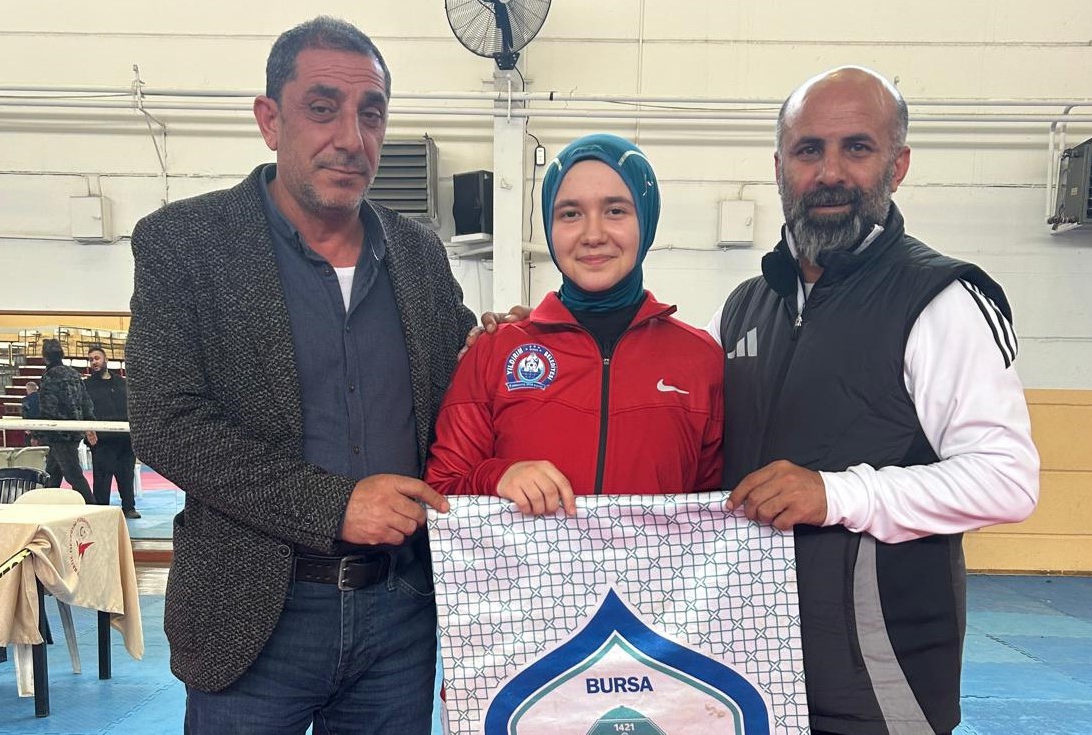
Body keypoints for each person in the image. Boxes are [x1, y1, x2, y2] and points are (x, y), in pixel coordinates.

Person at [125, 16, 473, 734]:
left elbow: (464, 386)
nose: (351, 137)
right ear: (269, 120)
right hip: (253, 616)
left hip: (400, 613)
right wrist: (332, 505)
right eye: (322, 108)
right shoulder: (186, 244)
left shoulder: (418, 253)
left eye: (371, 113)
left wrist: (521, 342)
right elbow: (167, 422)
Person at [712, 67, 1040, 735]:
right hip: (745, 671)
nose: (830, 172)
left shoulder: (940, 300)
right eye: (809, 149)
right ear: (779, 167)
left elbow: (1007, 480)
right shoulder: (746, 305)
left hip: (879, 683)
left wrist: (838, 493)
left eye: (857, 148)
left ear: (898, 164)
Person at [426, 134, 723, 513]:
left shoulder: (701, 360)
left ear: (646, 219)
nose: (593, 235)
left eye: (615, 211)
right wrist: (497, 476)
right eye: (570, 214)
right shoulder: (494, 351)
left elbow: (718, 515)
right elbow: (440, 493)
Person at [83, 346, 140, 518]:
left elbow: (133, 406)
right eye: (91, 359)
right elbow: (83, 409)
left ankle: (129, 507)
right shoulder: (86, 385)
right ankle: (101, 510)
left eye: (97, 358)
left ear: (106, 359)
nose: (94, 362)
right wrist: (88, 430)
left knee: (126, 475)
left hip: (125, 438)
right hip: (102, 440)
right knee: (102, 478)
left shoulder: (122, 383)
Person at [37, 338, 95, 504]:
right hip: (75, 430)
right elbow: (86, 402)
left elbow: (47, 408)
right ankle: (46, 505)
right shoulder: (74, 374)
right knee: (52, 473)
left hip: (59, 433)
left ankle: (91, 505)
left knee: (73, 475)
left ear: (45, 357)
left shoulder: (49, 377)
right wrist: (90, 423)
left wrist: (38, 433)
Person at [20, 380, 40, 445]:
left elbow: (24, 413)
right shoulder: (43, 399)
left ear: (28, 389)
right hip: (42, 425)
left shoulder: (26, 400)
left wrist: (26, 427)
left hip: (30, 425)